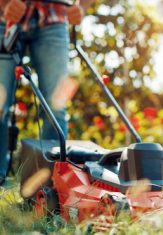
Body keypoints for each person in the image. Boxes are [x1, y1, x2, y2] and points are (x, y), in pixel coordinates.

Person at [0, 0, 94, 185]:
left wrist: (81, 8)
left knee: (55, 105)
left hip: (53, 19)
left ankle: (53, 183)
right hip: (5, 19)